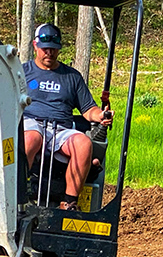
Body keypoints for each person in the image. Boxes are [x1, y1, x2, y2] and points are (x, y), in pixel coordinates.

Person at [22, 23, 112, 210]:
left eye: (54, 49)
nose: (49, 53)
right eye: (45, 49)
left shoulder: (72, 77)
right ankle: (19, 195)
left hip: (60, 129)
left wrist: (101, 115)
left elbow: (89, 109)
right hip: (30, 123)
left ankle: (69, 202)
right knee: (32, 138)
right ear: (35, 46)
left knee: (83, 143)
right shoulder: (22, 72)